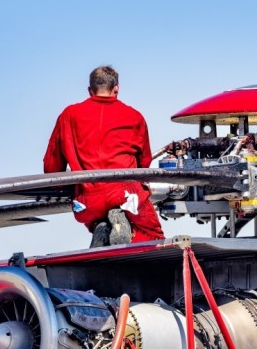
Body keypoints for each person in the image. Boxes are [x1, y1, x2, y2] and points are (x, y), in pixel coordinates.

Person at [43, 65, 165, 246]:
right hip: (126, 195)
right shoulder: (134, 116)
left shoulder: (69, 115)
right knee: (153, 239)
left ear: (90, 90)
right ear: (117, 88)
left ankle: (100, 226)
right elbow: (144, 163)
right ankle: (121, 229)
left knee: (95, 217)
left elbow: (52, 167)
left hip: (88, 201)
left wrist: (62, 189)